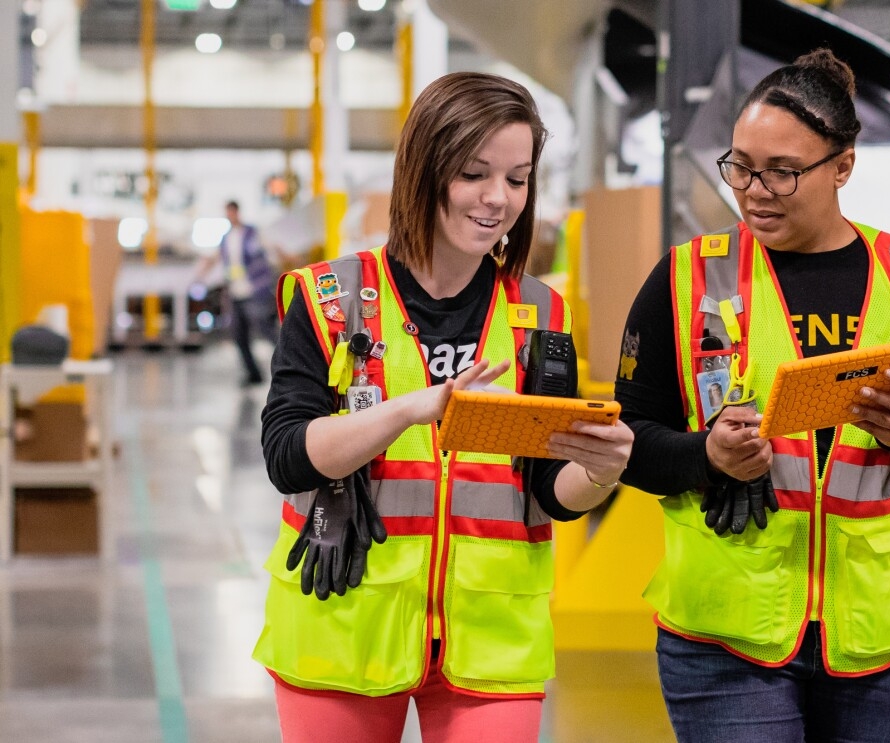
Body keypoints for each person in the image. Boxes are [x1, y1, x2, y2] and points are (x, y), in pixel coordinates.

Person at [614, 49, 890, 743]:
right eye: (740, 165)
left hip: (885, 635)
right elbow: (627, 444)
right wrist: (708, 456)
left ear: (843, 165)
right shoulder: (684, 281)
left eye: (783, 171)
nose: (755, 189)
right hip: (727, 635)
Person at [253, 72, 633, 743]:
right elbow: (287, 455)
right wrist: (410, 409)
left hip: (492, 641)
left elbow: (546, 492)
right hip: (345, 621)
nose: (498, 198)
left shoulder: (541, 315)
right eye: (473, 173)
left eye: (517, 178)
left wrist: (599, 470)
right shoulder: (330, 299)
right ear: (424, 172)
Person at [195, 200, 279, 385]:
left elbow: (271, 249)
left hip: (255, 290)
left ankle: (289, 364)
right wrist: (201, 273)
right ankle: (253, 373)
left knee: (266, 329)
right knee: (239, 335)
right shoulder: (226, 238)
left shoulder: (253, 233)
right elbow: (217, 258)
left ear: (237, 212)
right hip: (235, 292)